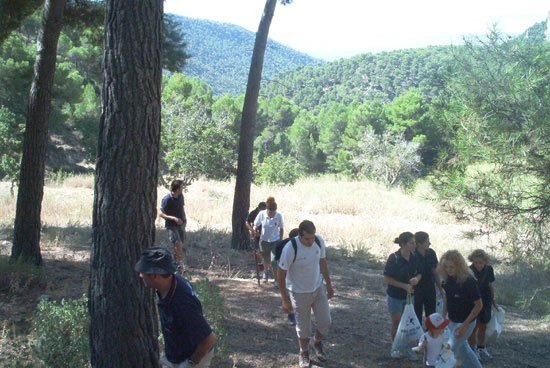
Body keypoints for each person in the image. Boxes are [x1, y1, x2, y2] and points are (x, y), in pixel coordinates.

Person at [135, 247, 217, 368]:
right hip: (176, 355)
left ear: (155, 276)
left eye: (144, 272)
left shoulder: (182, 302)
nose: (141, 275)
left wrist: (189, 363)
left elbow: (209, 340)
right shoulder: (169, 284)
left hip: (193, 357)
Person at [278, 220, 334, 368]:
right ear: (300, 235)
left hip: (317, 288)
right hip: (298, 292)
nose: (310, 241)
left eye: (312, 237)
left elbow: (322, 263)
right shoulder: (291, 248)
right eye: (307, 239)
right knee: (303, 327)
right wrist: (285, 299)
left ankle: (315, 341)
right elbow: (280, 274)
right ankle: (303, 352)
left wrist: (329, 284)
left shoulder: (319, 242)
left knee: (325, 322)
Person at [439, 250, 483, 368]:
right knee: (465, 352)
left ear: (459, 266)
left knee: (448, 350)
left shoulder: (468, 281)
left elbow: (479, 305)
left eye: (452, 267)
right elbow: (447, 300)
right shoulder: (447, 279)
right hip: (452, 320)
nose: (449, 269)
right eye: (446, 267)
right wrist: (443, 318)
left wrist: (464, 325)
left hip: (466, 322)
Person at [383, 231, 421, 359]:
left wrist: (416, 279)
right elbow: (387, 278)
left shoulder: (415, 257)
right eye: (412, 243)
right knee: (397, 322)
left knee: (409, 322)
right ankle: (396, 347)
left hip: (410, 296)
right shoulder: (394, 258)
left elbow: (420, 273)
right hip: (395, 295)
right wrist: (404, 286)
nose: (414, 245)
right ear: (403, 244)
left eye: (415, 243)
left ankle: (408, 348)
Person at [468, 249, 497, 360]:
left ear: (485, 261)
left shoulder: (489, 269)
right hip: (474, 300)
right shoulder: (469, 270)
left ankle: (481, 346)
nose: (478, 265)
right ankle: (472, 348)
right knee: (473, 326)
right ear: (472, 262)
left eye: (481, 262)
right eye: (476, 262)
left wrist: (493, 300)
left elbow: (490, 285)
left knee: (483, 325)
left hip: (486, 298)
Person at [413, 231, 443, 324]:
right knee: (416, 314)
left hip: (429, 286)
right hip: (416, 288)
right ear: (419, 244)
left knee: (431, 314)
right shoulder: (412, 255)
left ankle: (431, 335)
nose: (429, 243)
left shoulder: (431, 253)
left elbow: (435, 272)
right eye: (427, 242)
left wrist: (441, 289)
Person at [253, 196, 284, 283]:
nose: (271, 214)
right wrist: (255, 230)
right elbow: (255, 224)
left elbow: (281, 228)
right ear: (267, 210)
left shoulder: (279, 216)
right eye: (270, 212)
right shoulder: (262, 214)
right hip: (264, 241)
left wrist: (281, 241)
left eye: (273, 212)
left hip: (275, 241)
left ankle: (276, 279)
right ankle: (266, 273)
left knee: (274, 261)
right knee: (265, 259)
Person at [159, 180, 187, 270]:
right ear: (178, 189)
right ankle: (177, 265)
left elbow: (182, 208)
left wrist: (184, 219)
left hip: (181, 225)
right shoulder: (167, 199)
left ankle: (177, 264)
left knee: (180, 245)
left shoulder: (181, 196)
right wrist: (173, 218)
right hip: (171, 225)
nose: (183, 188)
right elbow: (160, 214)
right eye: (182, 187)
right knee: (177, 243)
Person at [276, 227, 300, 326]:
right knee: (288, 292)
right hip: (285, 270)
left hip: (298, 272)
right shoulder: (282, 245)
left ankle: (297, 313)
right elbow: (278, 261)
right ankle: (290, 314)